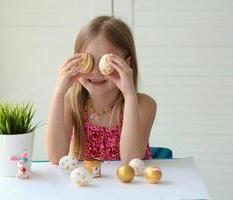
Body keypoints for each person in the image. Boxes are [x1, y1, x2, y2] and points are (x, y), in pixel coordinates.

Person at [45, 16, 157, 164]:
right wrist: (59, 93)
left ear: (126, 64)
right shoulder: (70, 103)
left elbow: (131, 160)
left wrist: (129, 96)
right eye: (88, 61)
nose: (96, 72)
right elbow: (55, 157)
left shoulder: (143, 105)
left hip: (129, 186)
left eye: (107, 61)